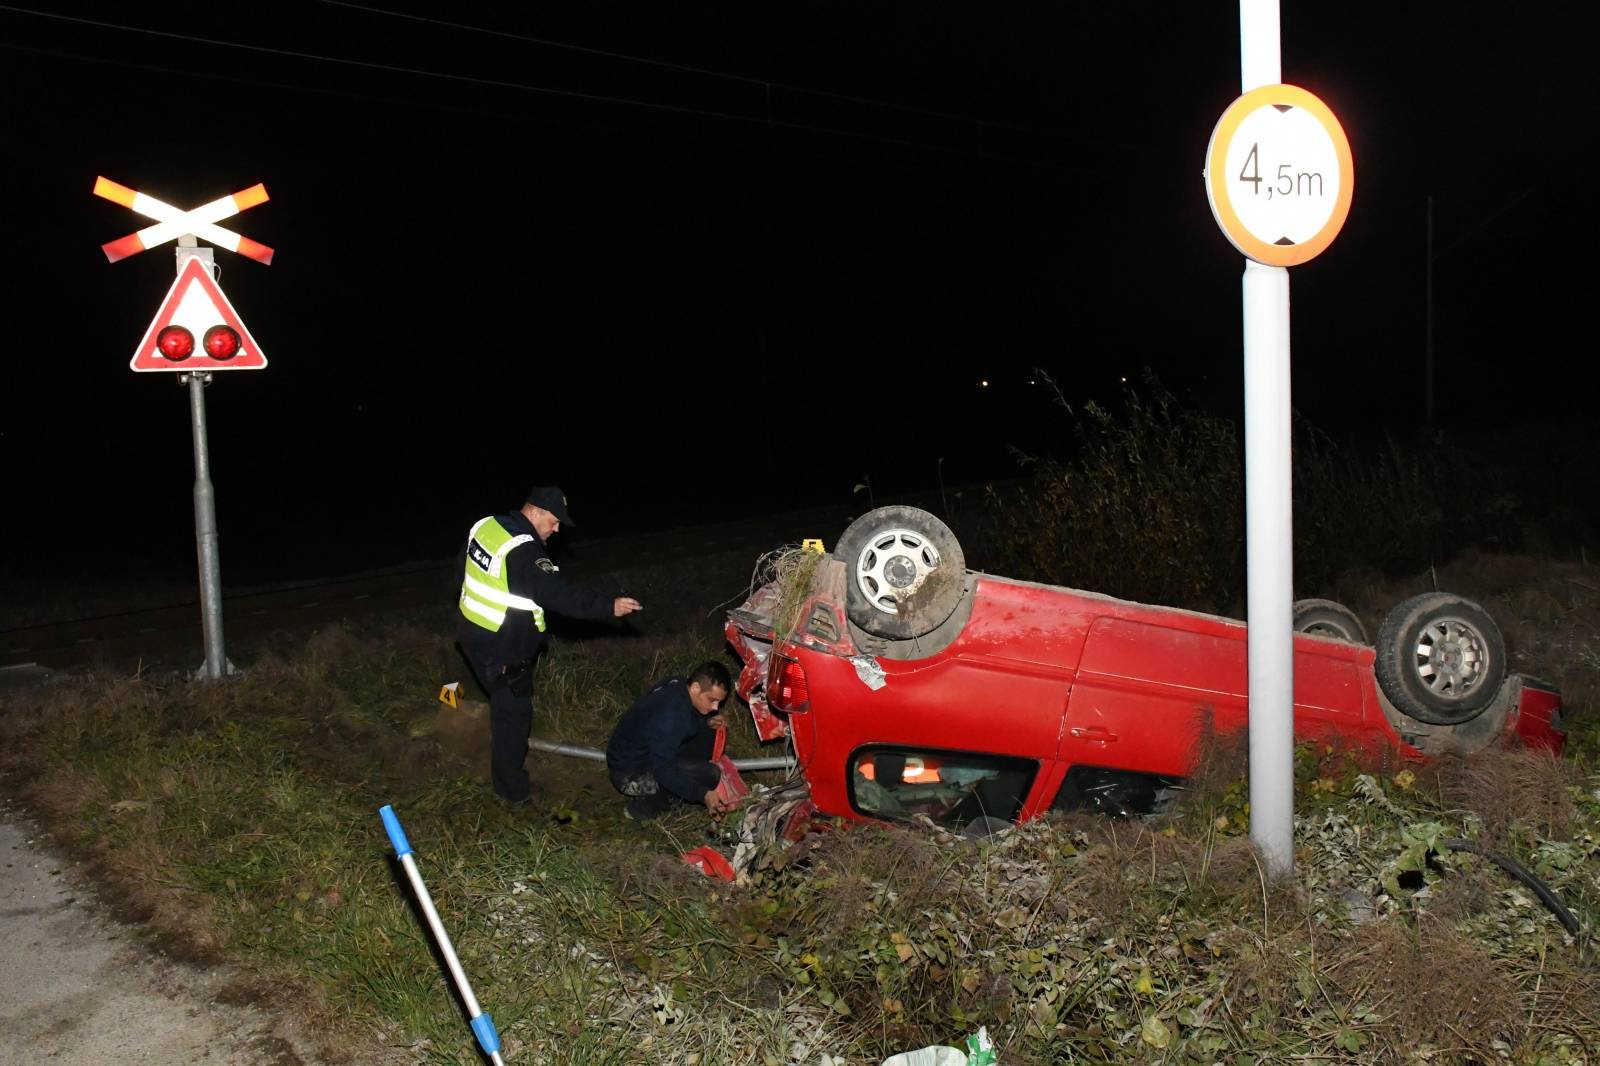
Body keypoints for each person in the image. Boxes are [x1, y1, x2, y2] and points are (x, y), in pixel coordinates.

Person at [457, 485, 642, 806]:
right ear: (536, 512)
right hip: (505, 651)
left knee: (493, 695)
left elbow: (461, 568)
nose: (557, 530)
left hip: (471, 632)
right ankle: (512, 793)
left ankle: (456, 706)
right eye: (554, 522)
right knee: (513, 720)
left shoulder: (487, 525)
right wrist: (608, 606)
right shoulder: (525, 552)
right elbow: (559, 595)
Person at [606, 661, 737, 822]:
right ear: (696, 688)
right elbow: (662, 769)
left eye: (719, 702)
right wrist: (703, 794)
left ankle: (670, 787)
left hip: (635, 752)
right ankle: (645, 806)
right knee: (710, 774)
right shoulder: (672, 715)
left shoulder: (679, 684)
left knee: (707, 734)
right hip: (629, 773)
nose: (715, 707)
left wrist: (707, 723)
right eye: (712, 700)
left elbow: (684, 723)